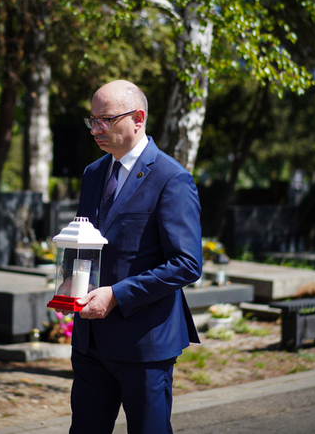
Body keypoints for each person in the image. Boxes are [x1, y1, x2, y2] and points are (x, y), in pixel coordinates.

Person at [66, 80, 203, 434]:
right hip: (90, 341)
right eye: (92, 120)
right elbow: (88, 242)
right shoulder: (93, 174)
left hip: (144, 345)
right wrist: (72, 283)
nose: (96, 129)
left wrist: (116, 294)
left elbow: (186, 264)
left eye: (106, 119)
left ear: (138, 118)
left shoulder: (172, 178)